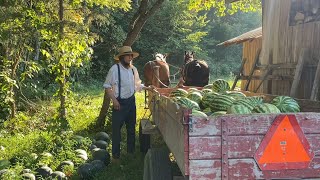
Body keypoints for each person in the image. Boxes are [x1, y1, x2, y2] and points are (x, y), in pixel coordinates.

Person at [103, 46, 154, 162]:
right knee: (116, 131)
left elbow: (137, 85)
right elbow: (107, 87)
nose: (130, 57)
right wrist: (114, 101)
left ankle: (130, 152)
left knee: (131, 129)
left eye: (131, 55)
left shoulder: (133, 69)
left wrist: (147, 88)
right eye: (127, 55)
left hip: (131, 102)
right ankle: (116, 156)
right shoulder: (114, 69)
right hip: (119, 103)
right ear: (121, 57)